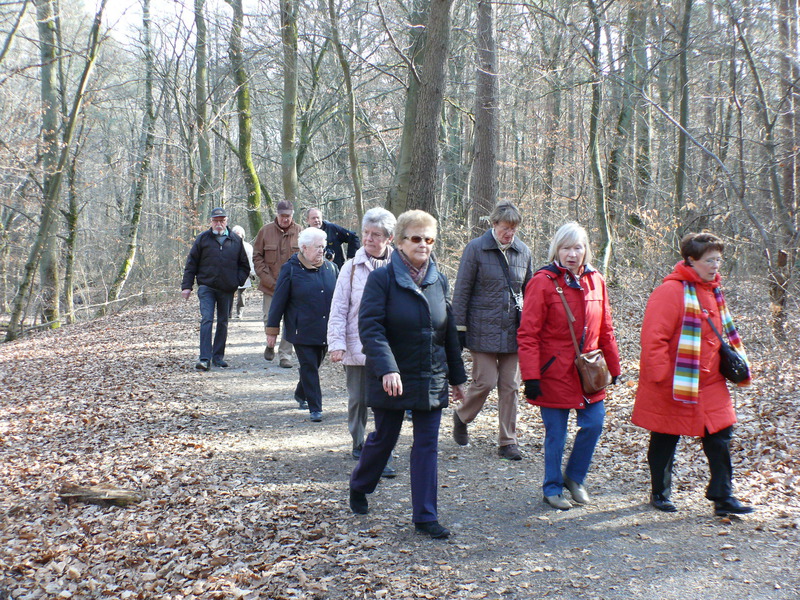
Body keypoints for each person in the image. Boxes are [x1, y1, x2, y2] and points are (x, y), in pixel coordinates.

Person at [349, 209, 467, 540]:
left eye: (429, 239)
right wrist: (387, 368)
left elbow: (448, 332)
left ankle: (425, 516)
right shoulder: (382, 280)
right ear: (400, 242)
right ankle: (360, 484)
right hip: (392, 376)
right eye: (416, 238)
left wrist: (457, 378)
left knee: (427, 445)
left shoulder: (438, 280)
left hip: (430, 375)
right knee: (384, 439)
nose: (423, 245)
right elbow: (371, 329)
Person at [632, 232, 754, 516]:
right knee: (666, 436)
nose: (715, 266)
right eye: (709, 260)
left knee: (721, 435)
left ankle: (723, 496)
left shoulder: (714, 291)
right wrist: (661, 376)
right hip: (675, 380)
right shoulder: (670, 292)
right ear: (690, 260)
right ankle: (660, 492)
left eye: (718, 260)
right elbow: (654, 338)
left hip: (710, 381)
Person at [517, 222, 621, 510]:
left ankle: (574, 478)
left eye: (577, 247)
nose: (572, 254)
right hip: (553, 371)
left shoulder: (596, 280)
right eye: (566, 248)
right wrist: (531, 376)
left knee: (594, 423)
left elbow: (606, 329)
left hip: (589, 370)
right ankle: (551, 488)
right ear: (556, 250)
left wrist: (614, 366)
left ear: (586, 249)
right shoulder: (542, 282)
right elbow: (528, 334)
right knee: (556, 434)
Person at [451, 200, 533, 460]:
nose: (510, 233)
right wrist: (459, 328)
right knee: (485, 381)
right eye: (505, 227)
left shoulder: (524, 252)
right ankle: (462, 416)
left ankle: (508, 441)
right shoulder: (476, 248)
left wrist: (532, 328)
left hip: (513, 331)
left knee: (510, 385)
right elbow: (462, 290)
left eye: (514, 228)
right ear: (494, 224)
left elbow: (531, 292)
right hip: (481, 329)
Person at [327, 207, 398, 477]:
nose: (368, 238)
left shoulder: (400, 266)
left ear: (389, 238)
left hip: (389, 347)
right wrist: (336, 343)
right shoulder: (350, 268)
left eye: (376, 234)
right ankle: (358, 442)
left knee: (387, 401)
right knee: (358, 398)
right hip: (356, 343)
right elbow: (338, 308)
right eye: (366, 233)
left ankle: (382, 449)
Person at [266, 227, 338, 421]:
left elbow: (340, 300)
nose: (322, 251)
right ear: (304, 248)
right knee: (309, 366)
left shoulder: (331, 269)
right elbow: (278, 302)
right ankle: (316, 408)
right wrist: (272, 331)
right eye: (317, 247)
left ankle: (300, 393)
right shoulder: (290, 269)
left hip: (325, 329)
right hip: (301, 329)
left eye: (323, 246)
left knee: (313, 366)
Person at [181, 207, 250, 371]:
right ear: (211, 221)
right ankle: (204, 358)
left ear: (226, 221)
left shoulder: (235, 240)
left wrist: (236, 282)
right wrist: (187, 286)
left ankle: (218, 357)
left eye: (222, 220)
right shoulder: (202, 239)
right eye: (216, 220)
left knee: (223, 321)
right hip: (207, 286)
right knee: (207, 319)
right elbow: (191, 263)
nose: (219, 224)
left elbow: (244, 266)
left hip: (227, 288)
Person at [253, 200, 301, 368]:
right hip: (270, 285)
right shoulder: (265, 231)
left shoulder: (300, 232)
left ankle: (285, 355)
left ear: (292, 215)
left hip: (293, 287)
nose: (285, 219)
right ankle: (270, 343)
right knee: (269, 317)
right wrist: (267, 279)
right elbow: (257, 256)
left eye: (288, 216)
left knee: (290, 320)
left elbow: (305, 258)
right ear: (277, 215)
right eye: (282, 216)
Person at [230, 225, 256, 319]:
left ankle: (239, 312)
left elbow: (251, 261)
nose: (238, 236)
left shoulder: (248, 247)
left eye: (239, 234)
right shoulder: (228, 246)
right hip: (231, 273)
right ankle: (228, 313)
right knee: (229, 294)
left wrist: (252, 272)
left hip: (243, 273)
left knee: (241, 295)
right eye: (235, 234)